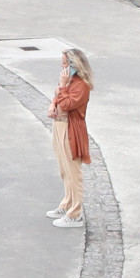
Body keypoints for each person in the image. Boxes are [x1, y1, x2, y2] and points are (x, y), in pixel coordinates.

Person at [46, 48, 94, 229]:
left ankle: (75, 214)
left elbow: (66, 104)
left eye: (65, 63)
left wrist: (63, 87)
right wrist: (52, 104)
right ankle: (67, 204)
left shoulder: (81, 85)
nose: (62, 65)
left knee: (73, 172)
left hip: (70, 128)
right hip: (59, 126)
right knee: (64, 169)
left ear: (74, 65)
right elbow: (56, 96)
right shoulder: (69, 81)